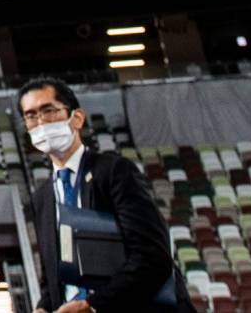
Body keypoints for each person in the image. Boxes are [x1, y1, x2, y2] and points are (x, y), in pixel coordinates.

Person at [19, 78, 190, 313]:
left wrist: (92, 306)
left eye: (48, 111)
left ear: (76, 118)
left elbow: (153, 256)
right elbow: (52, 278)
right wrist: (43, 307)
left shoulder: (114, 172)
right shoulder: (42, 198)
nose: (41, 122)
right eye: (31, 116)